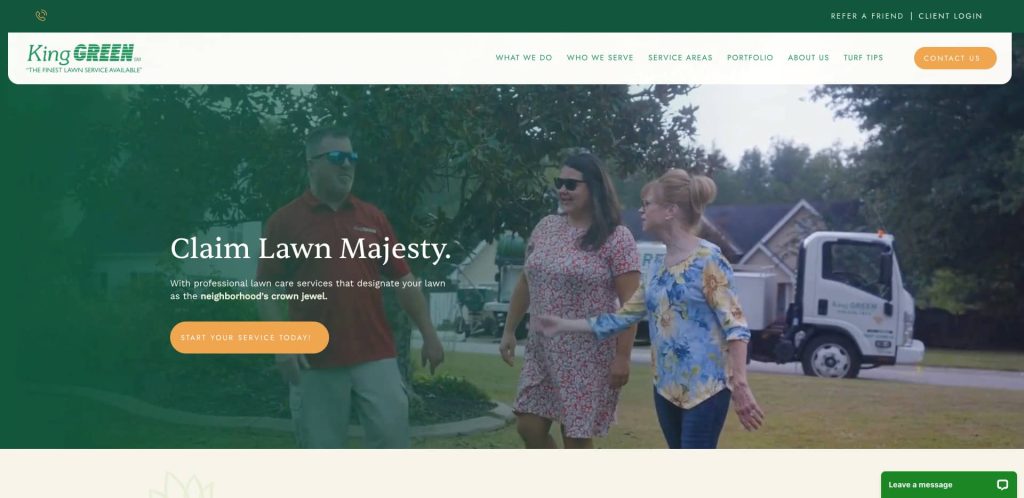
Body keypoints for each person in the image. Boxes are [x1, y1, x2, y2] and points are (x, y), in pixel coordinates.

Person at [536, 168, 765, 449]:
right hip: (665, 391)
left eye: (647, 204)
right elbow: (623, 317)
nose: (641, 210)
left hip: (706, 392)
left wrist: (740, 383)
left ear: (670, 210)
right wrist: (562, 325)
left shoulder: (708, 260)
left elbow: (737, 328)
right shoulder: (657, 267)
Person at [256, 125, 445, 448]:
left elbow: (404, 280)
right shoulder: (283, 222)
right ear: (311, 164)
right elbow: (266, 289)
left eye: (352, 157)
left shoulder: (372, 218)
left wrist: (429, 334)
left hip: (376, 356)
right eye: (336, 157)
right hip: (315, 362)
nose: (347, 165)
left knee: (392, 442)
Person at [499, 152, 641, 449]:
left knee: (575, 438)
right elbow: (527, 280)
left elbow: (632, 304)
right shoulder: (546, 227)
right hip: (542, 351)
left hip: (587, 354)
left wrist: (622, 357)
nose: (562, 190)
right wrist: (509, 330)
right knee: (528, 425)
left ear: (594, 188)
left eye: (572, 184)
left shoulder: (617, 238)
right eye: (559, 182)